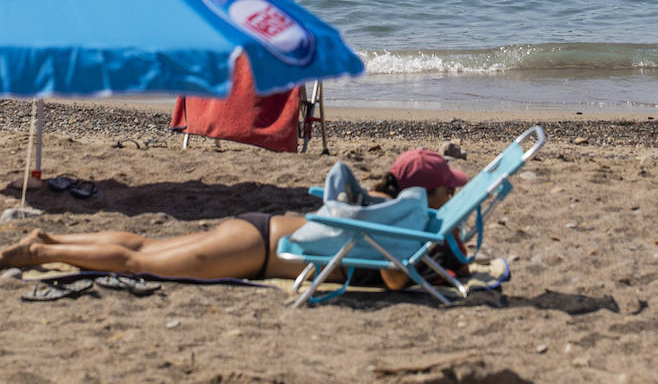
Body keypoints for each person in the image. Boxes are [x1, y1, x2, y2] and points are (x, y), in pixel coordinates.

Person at [0, 149, 468, 285]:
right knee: (137, 261)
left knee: (145, 247)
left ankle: (50, 241)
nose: (453, 192)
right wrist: (434, 257)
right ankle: (39, 252)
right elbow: (393, 280)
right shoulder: (396, 226)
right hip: (254, 252)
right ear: (427, 192)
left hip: (256, 230)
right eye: (449, 186)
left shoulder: (381, 208)